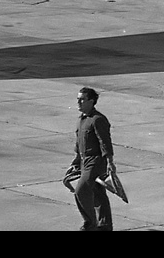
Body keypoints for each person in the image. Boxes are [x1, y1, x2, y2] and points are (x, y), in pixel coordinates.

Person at [63, 87, 115, 230]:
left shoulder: (98, 120)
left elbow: (105, 142)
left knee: (81, 190)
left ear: (91, 101)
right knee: (97, 193)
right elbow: (79, 144)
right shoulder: (81, 120)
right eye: (78, 99)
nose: (78, 102)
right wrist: (75, 162)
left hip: (96, 161)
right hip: (84, 161)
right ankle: (105, 225)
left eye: (82, 99)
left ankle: (90, 223)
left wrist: (110, 162)